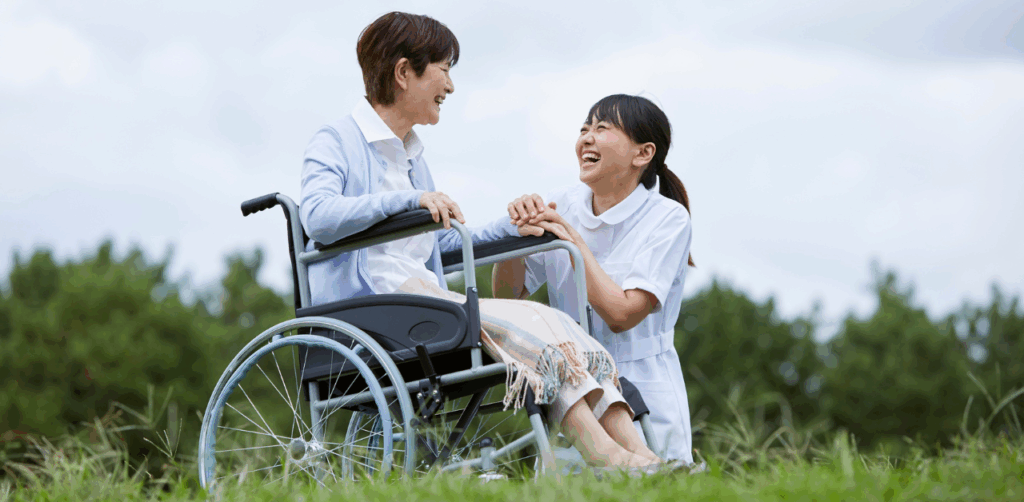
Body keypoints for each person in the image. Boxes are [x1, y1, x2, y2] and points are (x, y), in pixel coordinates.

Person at [299, 12, 672, 473]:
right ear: (403, 73)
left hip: (425, 303)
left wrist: (514, 227)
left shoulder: (414, 157)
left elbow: (440, 250)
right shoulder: (337, 140)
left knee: (556, 328)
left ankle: (645, 459)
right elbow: (316, 217)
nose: (450, 87)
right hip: (377, 311)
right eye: (444, 69)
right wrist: (408, 200)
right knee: (538, 325)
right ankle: (609, 456)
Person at [494, 94, 696, 463]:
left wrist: (572, 242)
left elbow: (622, 315)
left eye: (602, 128)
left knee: (653, 484)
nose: (587, 137)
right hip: (575, 388)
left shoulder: (668, 219)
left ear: (643, 153)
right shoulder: (562, 203)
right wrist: (516, 239)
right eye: (584, 128)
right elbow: (510, 296)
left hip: (644, 384)